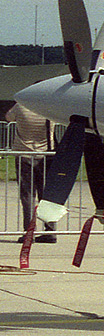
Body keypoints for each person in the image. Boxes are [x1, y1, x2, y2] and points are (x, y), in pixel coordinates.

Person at [5, 101, 55, 243]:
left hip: (24, 153)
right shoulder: (49, 108)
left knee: (27, 195)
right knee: (47, 195)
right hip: (45, 154)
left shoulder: (21, 106)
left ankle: (29, 231)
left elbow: (9, 117)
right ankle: (51, 230)